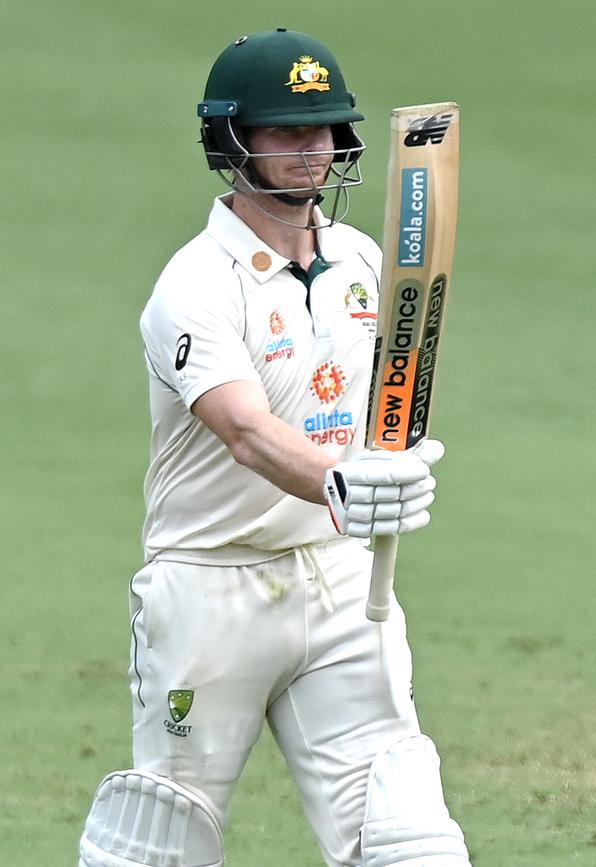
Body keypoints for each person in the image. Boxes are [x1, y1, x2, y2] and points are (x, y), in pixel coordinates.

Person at [78, 28, 472, 867]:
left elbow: (383, 413)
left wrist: (389, 468)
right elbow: (246, 431)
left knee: (407, 838)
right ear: (233, 141)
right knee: (163, 843)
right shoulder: (192, 285)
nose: (313, 151)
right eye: (288, 132)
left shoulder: (367, 260)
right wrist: (343, 481)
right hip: (210, 591)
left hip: (340, 585)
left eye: (325, 130)